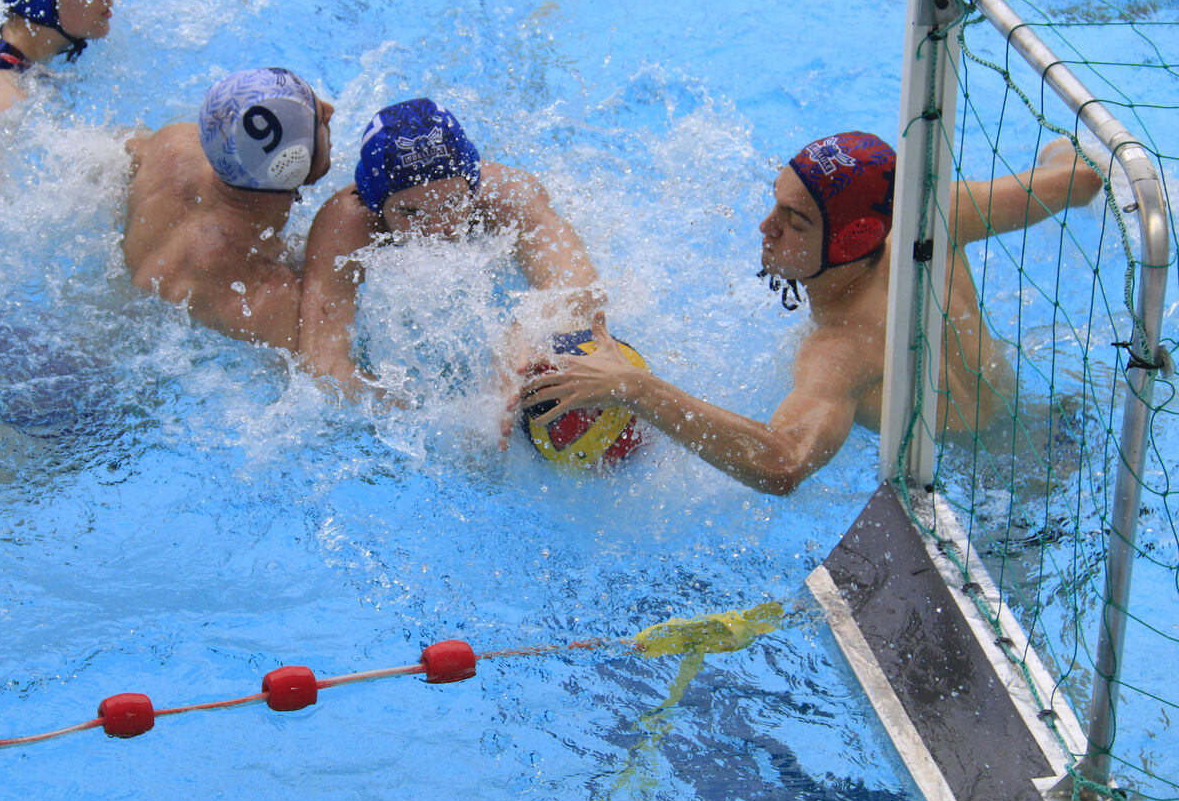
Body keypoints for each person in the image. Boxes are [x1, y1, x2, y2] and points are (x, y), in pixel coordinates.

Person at [515, 131, 1103, 495]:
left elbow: (782, 462)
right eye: (776, 203)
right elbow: (1078, 179)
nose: (765, 227)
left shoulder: (841, 348)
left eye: (794, 222)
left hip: (988, 497)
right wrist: (1063, 145)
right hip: (1053, 431)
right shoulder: (935, 214)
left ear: (853, 239)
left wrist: (637, 389)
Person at [299, 98, 602, 396]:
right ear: (373, 205)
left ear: (473, 186)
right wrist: (412, 412)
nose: (436, 230)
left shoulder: (508, 196)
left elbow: (579, 280)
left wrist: (526, 329)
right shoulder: (347, 227)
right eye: (410, 212)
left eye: (452, 203)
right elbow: (323, 363)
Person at [122, 67, 335, 350]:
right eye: (318, 119)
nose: (329, 110)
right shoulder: (264, 295)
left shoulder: (172, 144)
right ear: (291, 160)